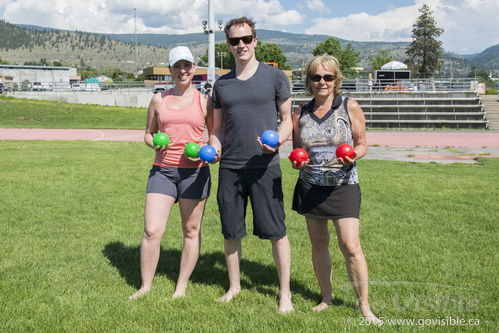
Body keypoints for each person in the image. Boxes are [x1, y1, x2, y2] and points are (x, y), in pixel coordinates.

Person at [208, 16, 294, 314]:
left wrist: (279, 141)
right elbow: (218, 129)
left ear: (255, 40)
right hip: (230, 168)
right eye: (234, 41)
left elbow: (287, 121)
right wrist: (214, 148)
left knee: (277, 232)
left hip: (264, 166)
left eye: (246, 39)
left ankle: (285, 294)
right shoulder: (222, 85)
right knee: (231, 231)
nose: (241, 45)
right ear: (228, 45)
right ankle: (234, 287)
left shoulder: (275, 77)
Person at [290, 54, 382, 325]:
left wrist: (354, 154)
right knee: (318, 244)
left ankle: (364, 306)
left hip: (344, 186)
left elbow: (363, 143)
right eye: (316, 77)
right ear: (308, 80)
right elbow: (297, 150)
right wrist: (298, 160)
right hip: (311, 186)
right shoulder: (301, 112)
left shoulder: (349, 106)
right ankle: (326, 297)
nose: (322, 82)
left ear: (336, 80)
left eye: (327, 77)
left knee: (350, 245)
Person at [130, 46, 211, 300]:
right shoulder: (159, 99)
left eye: (187, 65)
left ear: (194, 69)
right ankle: (145, 286)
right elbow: (148, 133)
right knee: (152, 230)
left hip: (194, 172)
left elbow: (215, 139)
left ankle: (181, 286)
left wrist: (203, 152)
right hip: (163, 171)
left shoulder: (204, 101)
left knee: (191, 230)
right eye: (177, 66)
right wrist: (154, 142)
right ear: (170, 70)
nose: (182, 70)